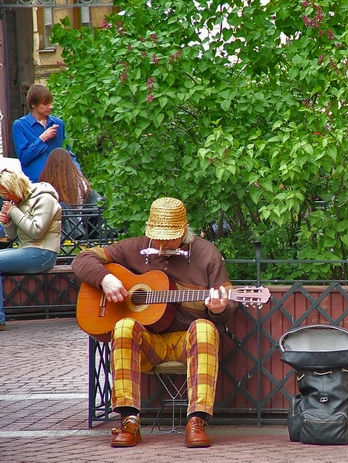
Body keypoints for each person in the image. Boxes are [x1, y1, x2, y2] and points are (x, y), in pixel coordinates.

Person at [72, 197, 237, 448]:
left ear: (184, 230)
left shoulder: (206, 254)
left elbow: (226, 305)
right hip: (148, 344)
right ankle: (129, 421)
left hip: (187, 343)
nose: (161, 245)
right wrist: (104, 279)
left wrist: (219, 308)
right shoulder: (134, 248)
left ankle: (196, 421)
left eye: (168, 238)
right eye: (157, 237)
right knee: (124, 326)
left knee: (205, 328)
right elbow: (82, 259)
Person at [0, 168, 62, 331]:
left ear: (15, 187)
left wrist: (14, 211)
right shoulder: (19, 201)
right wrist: (7, 222)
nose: (6, 198)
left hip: (43, 253)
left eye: (7, 193)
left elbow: (36, 231)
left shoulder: (44, 198)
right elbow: (12, 237)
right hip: (28, 250)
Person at [12, 84, 80, 182]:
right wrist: (42, 138)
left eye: (51, 103)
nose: (50, 107)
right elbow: (24, 158)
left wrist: (78, 173)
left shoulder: (58, 124)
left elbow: (67, 152)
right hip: (38, 185)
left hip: (61, 182)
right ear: (33, 104)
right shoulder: (20, 125)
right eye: (46, 104)